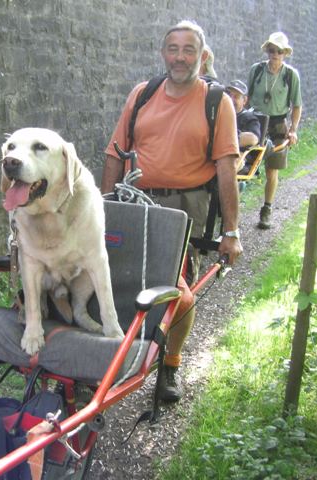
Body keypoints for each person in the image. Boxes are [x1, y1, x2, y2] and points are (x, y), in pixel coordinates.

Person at [101, 20, 242, 402]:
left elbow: (227, 167)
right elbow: (115, 152)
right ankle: (109, 355)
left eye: (189, 50)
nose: (180, 57)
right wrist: (103, 208)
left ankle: (170, 364)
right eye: (173, 49)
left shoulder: (217, 102)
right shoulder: (143, 94)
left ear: (203, 56)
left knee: (178, 293)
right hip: (134, 201)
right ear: (163, 53)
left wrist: (231, 232)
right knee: (116, 278)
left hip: (182, 209)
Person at [247, 32, 303, 229]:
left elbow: (296, 105)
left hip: (279, 124)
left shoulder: (290, 75)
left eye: (279, 51)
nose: (275, 54)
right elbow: (247, 98)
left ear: (285, 53)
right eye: (272, 50)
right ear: (268, 51)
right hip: (256, 122)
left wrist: (293, 130)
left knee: (272, 170)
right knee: (245, 166)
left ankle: (267, 209)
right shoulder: (257, 70)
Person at [226, 79, 261, 171]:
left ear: (244, 100)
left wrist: (226, 139)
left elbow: (254, 138)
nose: (231, 99)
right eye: (229, 95)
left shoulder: (248, 118)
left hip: (239, 156)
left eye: (236, 97)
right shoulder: (218, 114)